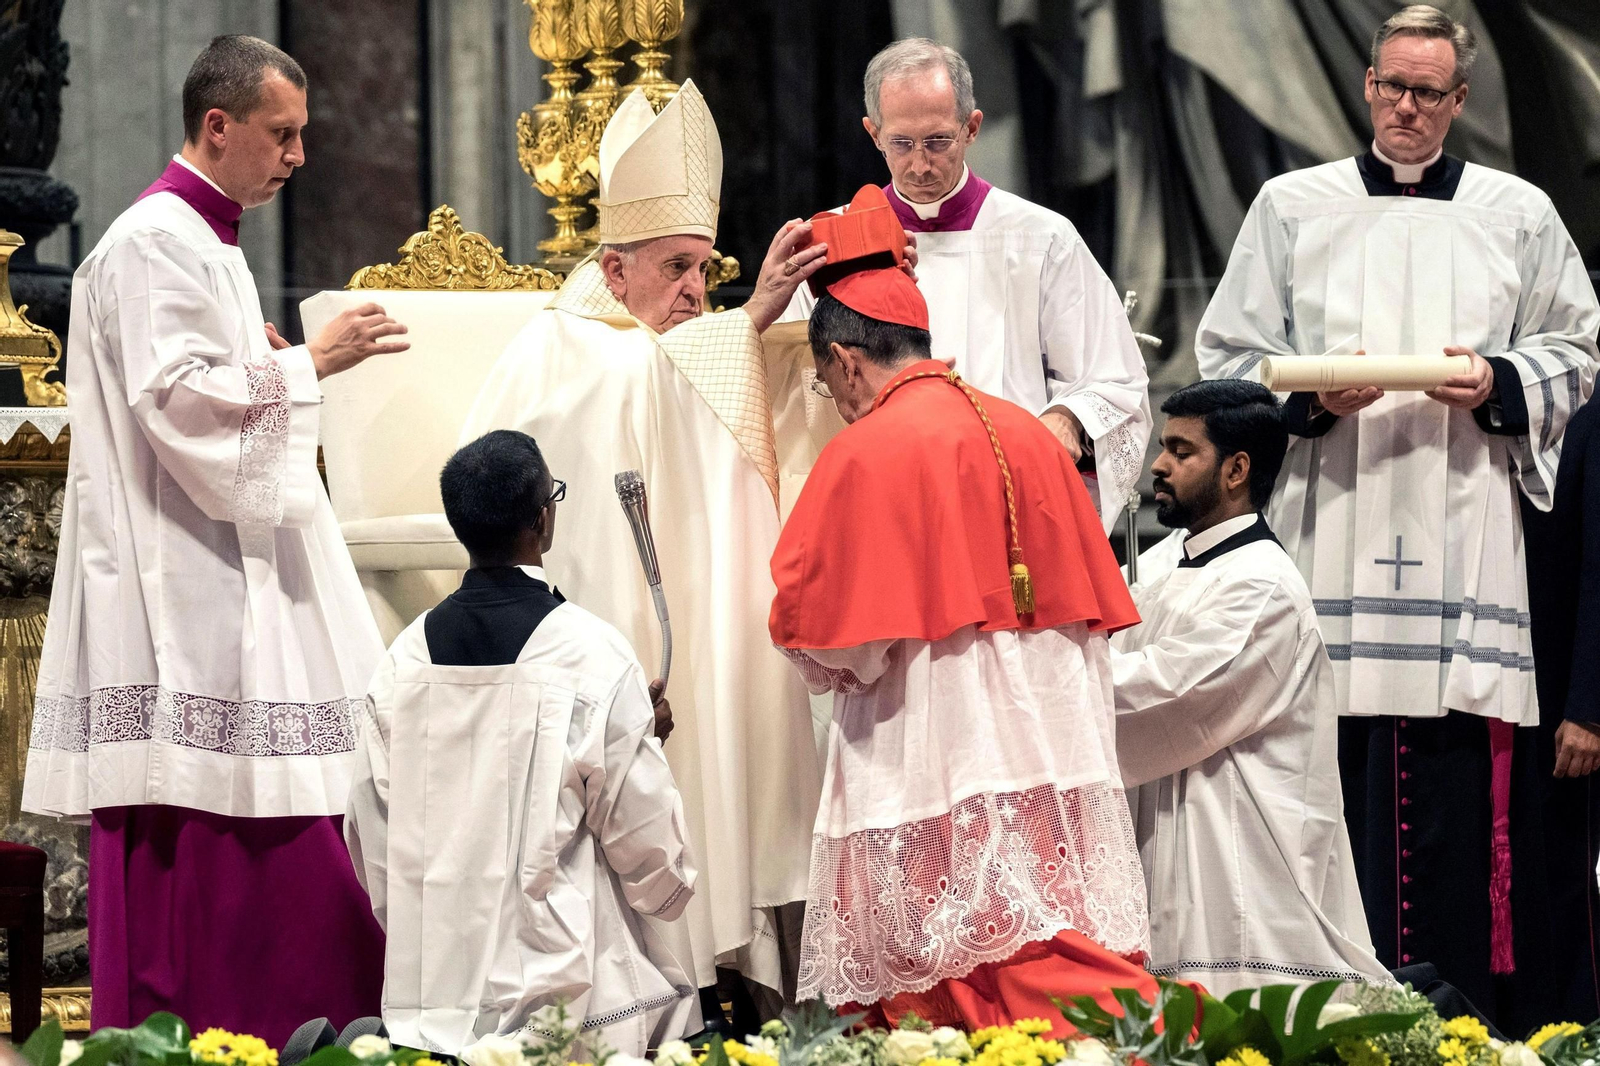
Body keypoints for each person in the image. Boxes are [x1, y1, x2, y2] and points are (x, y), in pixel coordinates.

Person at [1195, 5, 1599, 1023]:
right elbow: (1226, 360)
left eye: (1427, 92)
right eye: (1391, 86)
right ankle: (1325, 1009)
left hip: (1465, 532)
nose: (1406, 107)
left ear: (1460, 102)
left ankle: (1459, 1019)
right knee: (1331, 781)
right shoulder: (1293, 206)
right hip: (1335, 524)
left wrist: (1499, 381)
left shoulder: (1518, 212)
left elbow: (1575, 351)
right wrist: (1309, 402)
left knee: (1454, 800)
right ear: (1368, 85)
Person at [21, 36, 408, 1045]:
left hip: (213, 562)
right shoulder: (158, 241)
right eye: (282, 134)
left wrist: (273, 367)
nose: (299, 155)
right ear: (217, 126)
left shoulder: (201, 239)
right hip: (188, 582)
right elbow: (178, 403)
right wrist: (312, 363)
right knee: (239, 822)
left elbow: (201, 382)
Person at [459, 82, 824, 1020]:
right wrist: (745, 325)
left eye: (706, 268)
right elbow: (645, 382)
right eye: (675, 268)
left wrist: (773, 331)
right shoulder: (562, 349)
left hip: (685, 637)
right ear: (613, 270)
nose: (697, 290)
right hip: (587, 646)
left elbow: (688, 378)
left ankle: (724, 975)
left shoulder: (666, 341)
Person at [770, 211, 1154, 1036]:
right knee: (1058, 944)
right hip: (1054, 748)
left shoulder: (866, 451)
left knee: (965, 970)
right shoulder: (1028, 428)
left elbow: (832, 638)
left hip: (940, 742)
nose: (834, 402)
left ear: (844, 360)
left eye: (826, 384)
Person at [345, 430, 698, 1057]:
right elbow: (653, 862)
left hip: (435, 1004)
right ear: (544, 517)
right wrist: (646, 741)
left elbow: (374, 847)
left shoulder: (400, 664)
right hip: (572, 1005)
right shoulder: (590, 654)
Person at [782, 38, 1151, 530]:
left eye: (938, 141)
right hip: (878, 504)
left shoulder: (1041, 239)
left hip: (1005, 502)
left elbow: (1115, 380)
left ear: (971, 127)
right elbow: (793, 384)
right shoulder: (830, 242)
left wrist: (1064, 419)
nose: (919, 164)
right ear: (873, 134)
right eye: (901, 143)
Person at [1112, 379, 1390, 995]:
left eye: (1182, 452)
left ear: (1236, 469)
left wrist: (1045, 679)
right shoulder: (1162, 566)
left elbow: (1170, 696)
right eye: (1164, 446)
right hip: (1165, 850)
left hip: (1242, 875)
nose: (1159, 465)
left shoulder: (1261, 586)